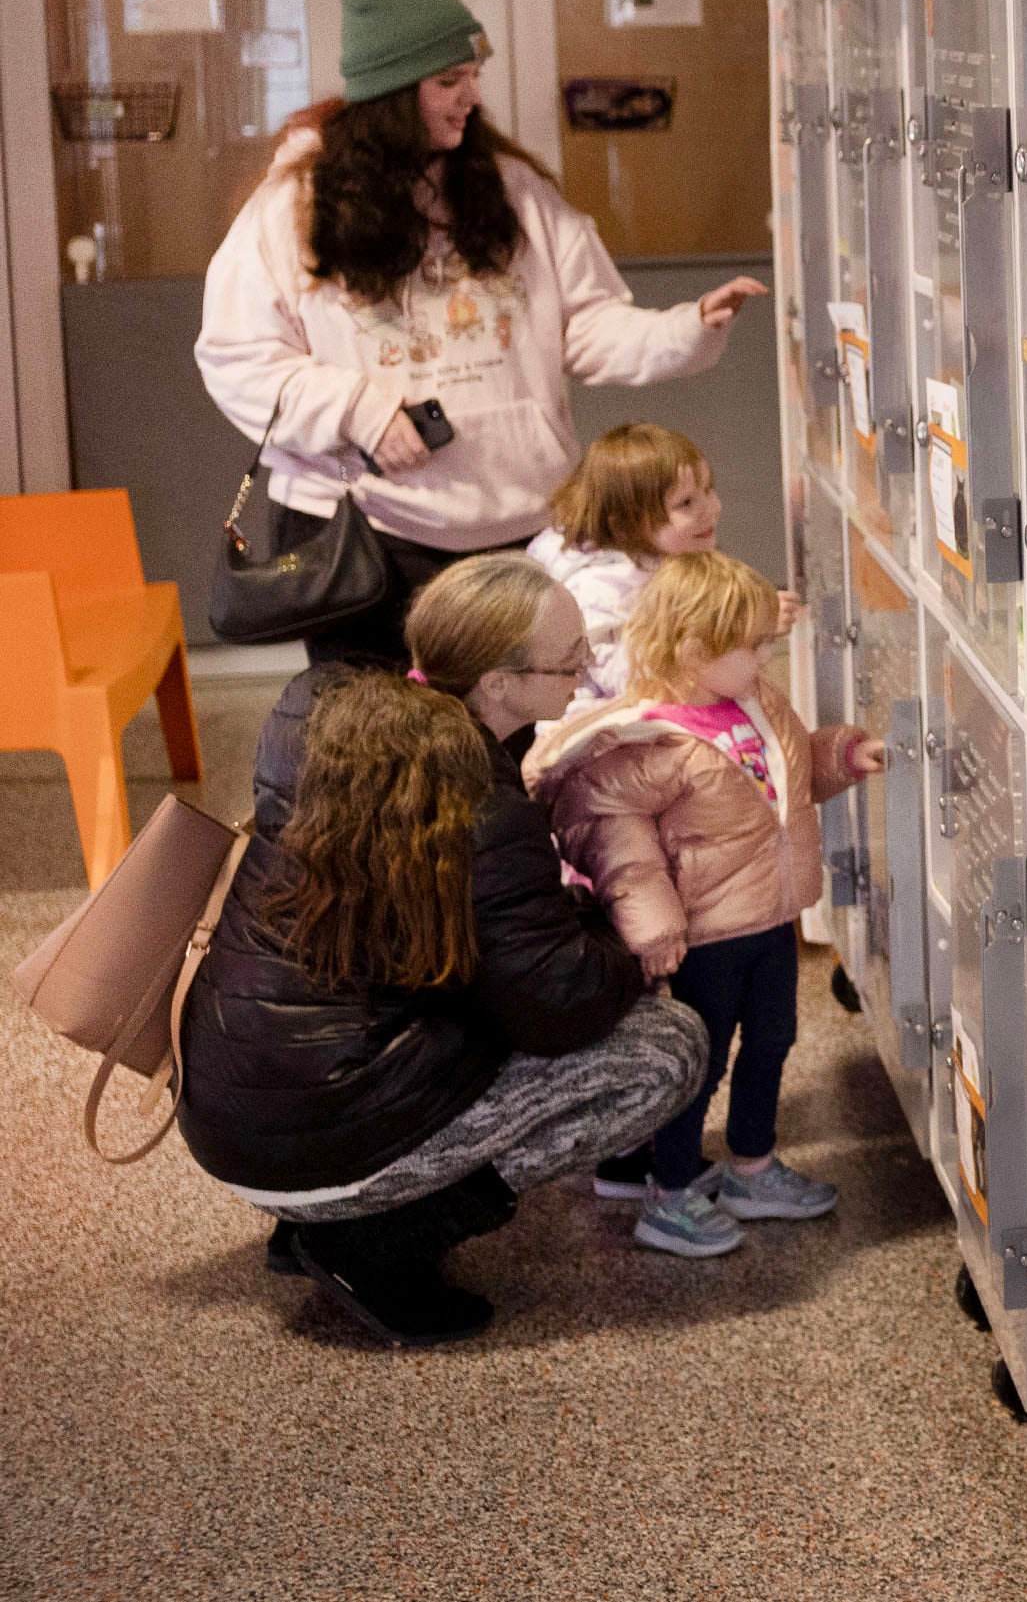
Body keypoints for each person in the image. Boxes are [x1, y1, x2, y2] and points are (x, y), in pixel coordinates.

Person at [182, 555, 708, 1348]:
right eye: (569, 661)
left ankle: (317, 1218)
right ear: (497, 685)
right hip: (321, 1124)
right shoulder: (476, 801)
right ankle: (376, 1238)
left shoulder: (314, 708)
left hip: (226, 1104)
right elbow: (558, 1005)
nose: (584, 672)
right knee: (666, 1048)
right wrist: (628, 937)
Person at [196, 0, 768, 667]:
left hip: (519, 531)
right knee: (383, 752)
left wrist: (686, 327)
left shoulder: (514, 191)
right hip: (364, 539)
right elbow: (234, 356)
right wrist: (357, 409)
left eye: (473, 77)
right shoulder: (295, 206)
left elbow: (585, 325)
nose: (471, 95)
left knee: (516, 746)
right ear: (392, 92)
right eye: (448, 80)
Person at [527, 551, 880, 1258]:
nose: (763, 656)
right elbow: (617, 843)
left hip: (770, 918)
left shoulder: (756, 702)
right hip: (706, 936)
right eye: (749, 645)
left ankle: (750, 1166)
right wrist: (654, 926)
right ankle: (671, 1192)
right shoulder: (648, 740)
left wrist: (839, 756)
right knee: (701, 1062)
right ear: (694, 649)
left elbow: (790, 772)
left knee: (773, 1042)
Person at [527, 422, 800, 705]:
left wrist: (750, 619)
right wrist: (740, 636)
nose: (711, 508)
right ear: (625, 523)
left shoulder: (674, 556)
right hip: (608, 734)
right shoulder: (598, 590)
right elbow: (631, 680)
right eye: (685, 504)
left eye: (708, 489)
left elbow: (701, 617)